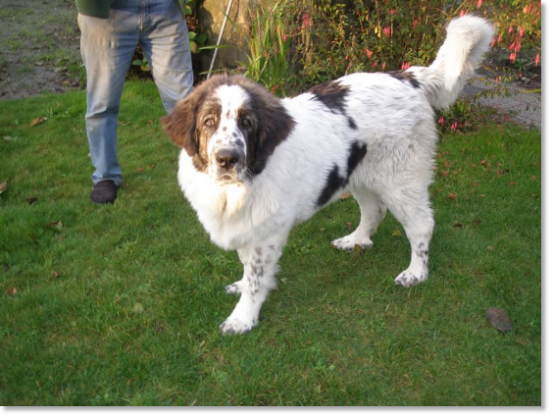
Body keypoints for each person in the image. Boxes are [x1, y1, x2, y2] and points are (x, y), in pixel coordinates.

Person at [76, 0, 194, 204]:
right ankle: (105, 175)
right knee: (102, 103)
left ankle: (203, 168)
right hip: (108, 14)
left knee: (184, 102)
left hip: (164, 10)